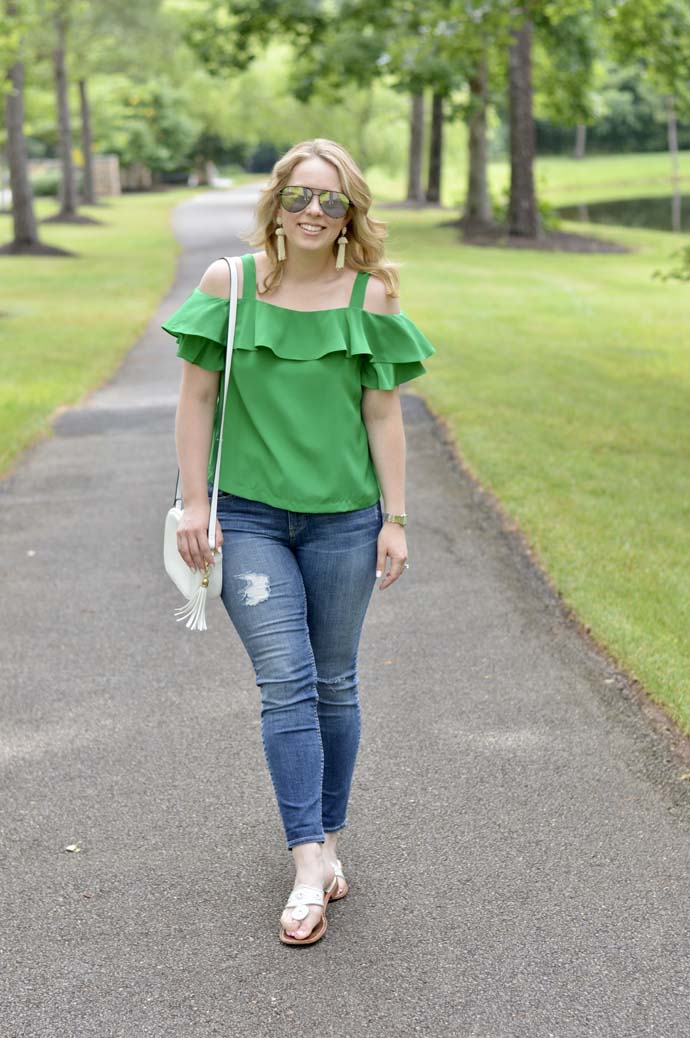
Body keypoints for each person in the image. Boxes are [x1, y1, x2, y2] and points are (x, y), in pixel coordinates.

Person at [161, 138, 436, 946]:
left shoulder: (371, 297)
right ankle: (308, 860)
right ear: (276, 202)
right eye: (300, 197)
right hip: (246, 518)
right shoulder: (231, 284)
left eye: (332, 201)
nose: (313, 212)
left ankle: (330, 839)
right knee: (286, 682)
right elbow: (195, 400)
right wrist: (190, 503)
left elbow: (385, 416)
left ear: (351, 213)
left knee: (334, 683)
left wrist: (395, 517)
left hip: (346, 521)